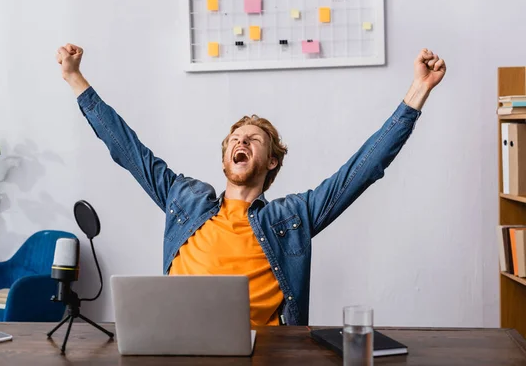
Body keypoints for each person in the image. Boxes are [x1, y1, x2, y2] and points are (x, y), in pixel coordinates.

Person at [56, 44, 446, 326]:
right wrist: (75, 79)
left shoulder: (293, 215)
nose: (241, 142)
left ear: (271, 161)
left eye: (253, 139)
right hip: (178, 342)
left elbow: (363, 168)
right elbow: (127, 149)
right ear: (225, 156)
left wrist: (418, 91)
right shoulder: (184, 198)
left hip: (264, 350)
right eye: (235, 139)